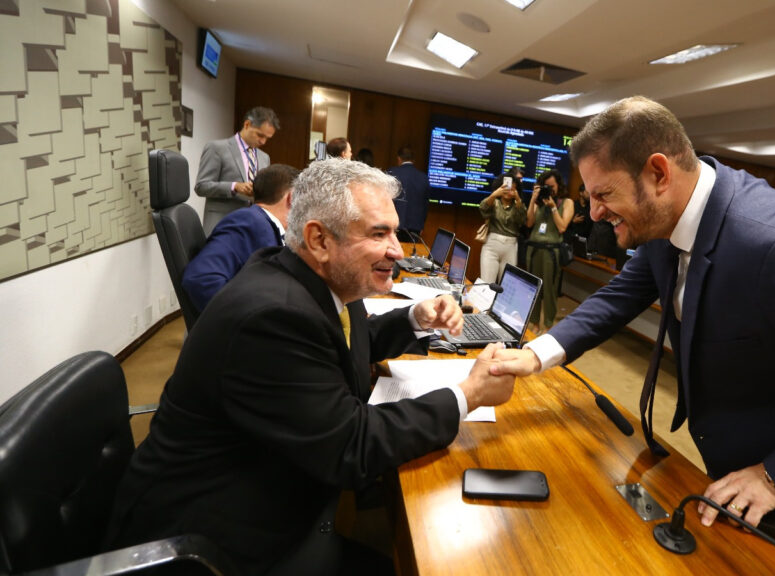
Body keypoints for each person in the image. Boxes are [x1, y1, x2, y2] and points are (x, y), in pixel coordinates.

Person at [488, 96, 775, 568]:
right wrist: (537, 355)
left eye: (603, 195)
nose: (593, 213)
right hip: (730, 469)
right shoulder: (664, 217)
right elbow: (621, 295)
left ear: (658, 174)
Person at [105, 159, 516, 574]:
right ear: (318, 239)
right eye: (379, 233)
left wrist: (415, 318)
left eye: (394, 231)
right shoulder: (273, 318)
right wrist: (469, 395)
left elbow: (350, 343)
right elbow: (353, 447)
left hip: (270, 489)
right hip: (214, 543)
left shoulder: (315, 279)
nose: (396, 249)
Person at [182, 164, 299, 312]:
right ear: (291, 198)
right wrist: (253, 324)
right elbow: (201, 278)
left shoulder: (266, 224)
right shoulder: (249, 222)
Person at [194, 107, 279, 235]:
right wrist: (234, 187)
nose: (263, 141)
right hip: (222, 226)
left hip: (252, 227)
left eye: (267, 138)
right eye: (260, 135)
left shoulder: (264, 157)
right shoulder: (217, 148)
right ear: (247, 124)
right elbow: (201, 186)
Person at [525, 169, 574, 332]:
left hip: (551, 252)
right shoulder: (538, 203)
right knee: (533, 288)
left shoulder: (567, 202)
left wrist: (553, 207)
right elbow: (529, 223)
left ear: (559, 186)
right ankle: (534, 323)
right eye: (545, 187)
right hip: (533, 249)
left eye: (551, 187)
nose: (548, 190)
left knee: (550, 289)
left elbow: (562, 227)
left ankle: (548, 324)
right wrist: (533, 199)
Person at [478, 169, 526, 283]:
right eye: (507, 187)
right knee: (486, 283)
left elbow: (522, 221)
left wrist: (518, 200)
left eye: (513, 188)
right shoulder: (494, 202)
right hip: (491, 246)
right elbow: (483, 209)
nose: (509, 191)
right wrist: (494, 194)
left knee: (506, 284)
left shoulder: (518, 206)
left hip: (511, 247)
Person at [388, 146, 430, 239]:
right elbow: (425, 205)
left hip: (393, 227)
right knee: (412, 253)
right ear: (413, 160)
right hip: (415, 228)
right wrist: (421, 225)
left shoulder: (391, 173)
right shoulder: (424, 178)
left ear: (399, 159)